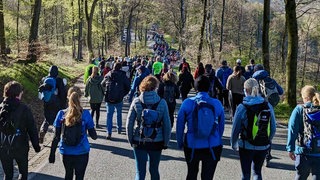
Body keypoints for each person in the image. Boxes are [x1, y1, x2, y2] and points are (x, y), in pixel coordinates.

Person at [177, 75, 225, 180]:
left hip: (192, 144)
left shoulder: (187, 103)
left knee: (191, 174)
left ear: (195, 88)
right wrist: (218, 138)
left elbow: (180, 124)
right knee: (207, 177)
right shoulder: (217, 103)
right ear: (209, 87)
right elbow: (221, 126)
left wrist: (180, 142)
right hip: (212, 144)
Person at [126, 75, 171, 180]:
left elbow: (129, 122)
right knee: (154, 169)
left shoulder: (136, 101)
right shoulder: (162, 102)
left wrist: (131, 139)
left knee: (140, 171)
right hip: (157, 140)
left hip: (139, 140)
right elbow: (167, 124)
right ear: (156, 87)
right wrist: (165, 142)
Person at [230, 78, 276, 180]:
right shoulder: (267, 105)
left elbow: (235, 128)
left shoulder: (242, 107)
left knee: (245, 174)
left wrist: (234, 144)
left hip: (246, 145)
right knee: (257, 172)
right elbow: (273, 127)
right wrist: (268, 140)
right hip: (263, 145)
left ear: (246, 90)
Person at [49, 86, 97, 180]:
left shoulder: (61, 114)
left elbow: (56, 137)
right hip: (82, 151)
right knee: (79, 177)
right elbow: (93, 136)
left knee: (68, 174)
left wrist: (52, 154)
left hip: (66, 151)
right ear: (80, 97)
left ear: (68, 97)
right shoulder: (86, 114)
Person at [0, 81, 41, 180]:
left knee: (7, 175)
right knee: (23, 173)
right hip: (20, 146)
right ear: (18, 94)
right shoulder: (24, 109)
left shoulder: (0, 108)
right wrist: (36, 146)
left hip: (3, 147)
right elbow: (32, 129)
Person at [252, 64, 284, 166]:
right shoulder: (271, 80)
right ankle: (267, 155)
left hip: (258, 109)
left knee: (257, 129)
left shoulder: (254, 81)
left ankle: (255, 152)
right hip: (270, 108)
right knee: (268, 130)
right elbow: (281, 91)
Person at [286, 85, 320, 179]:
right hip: (319, 152)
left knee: (300, 177)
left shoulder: (299, 110)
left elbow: (292, 130)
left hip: (303, 152)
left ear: (305, 97)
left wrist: (290, 148)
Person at [39, 65, 68, 144]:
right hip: (57, 103)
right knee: (58, 119)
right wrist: (63, 104)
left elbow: (41, 93)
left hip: (47, 102)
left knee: (47, 119)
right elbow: (63, 93)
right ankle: (56, 137)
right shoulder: (59, 80)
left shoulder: (45, 79)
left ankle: (42, 131)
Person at [102, 62, 130, 139]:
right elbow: (128, 86)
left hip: (109, 98)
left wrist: (105, 91)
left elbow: (102, 84)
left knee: (109, 115)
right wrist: (123, 94)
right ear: (120, 68)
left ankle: (109, 132)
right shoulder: (123, 75)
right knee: (119, 113)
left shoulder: (108, 74)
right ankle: (119, 128)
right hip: (119, 98)